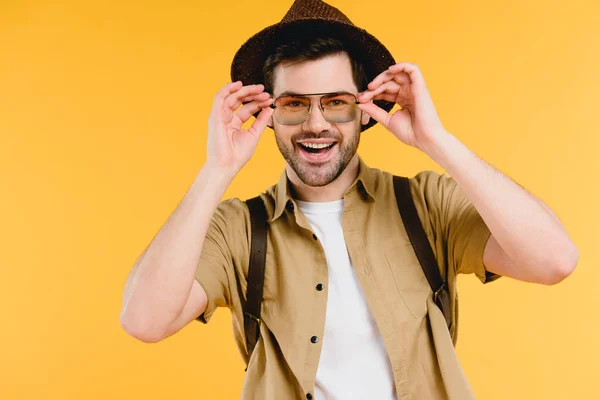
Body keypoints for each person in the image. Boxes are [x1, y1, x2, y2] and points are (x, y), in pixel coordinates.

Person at [119, 0, 579, 399]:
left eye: (335, 101)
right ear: (268, 114)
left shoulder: (424, 205)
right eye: (294, 103)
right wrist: (215, 171)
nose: (316, 123)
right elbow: (144, 322)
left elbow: (554, 260)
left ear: (363, 109)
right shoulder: (238, 229)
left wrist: (436, 141)